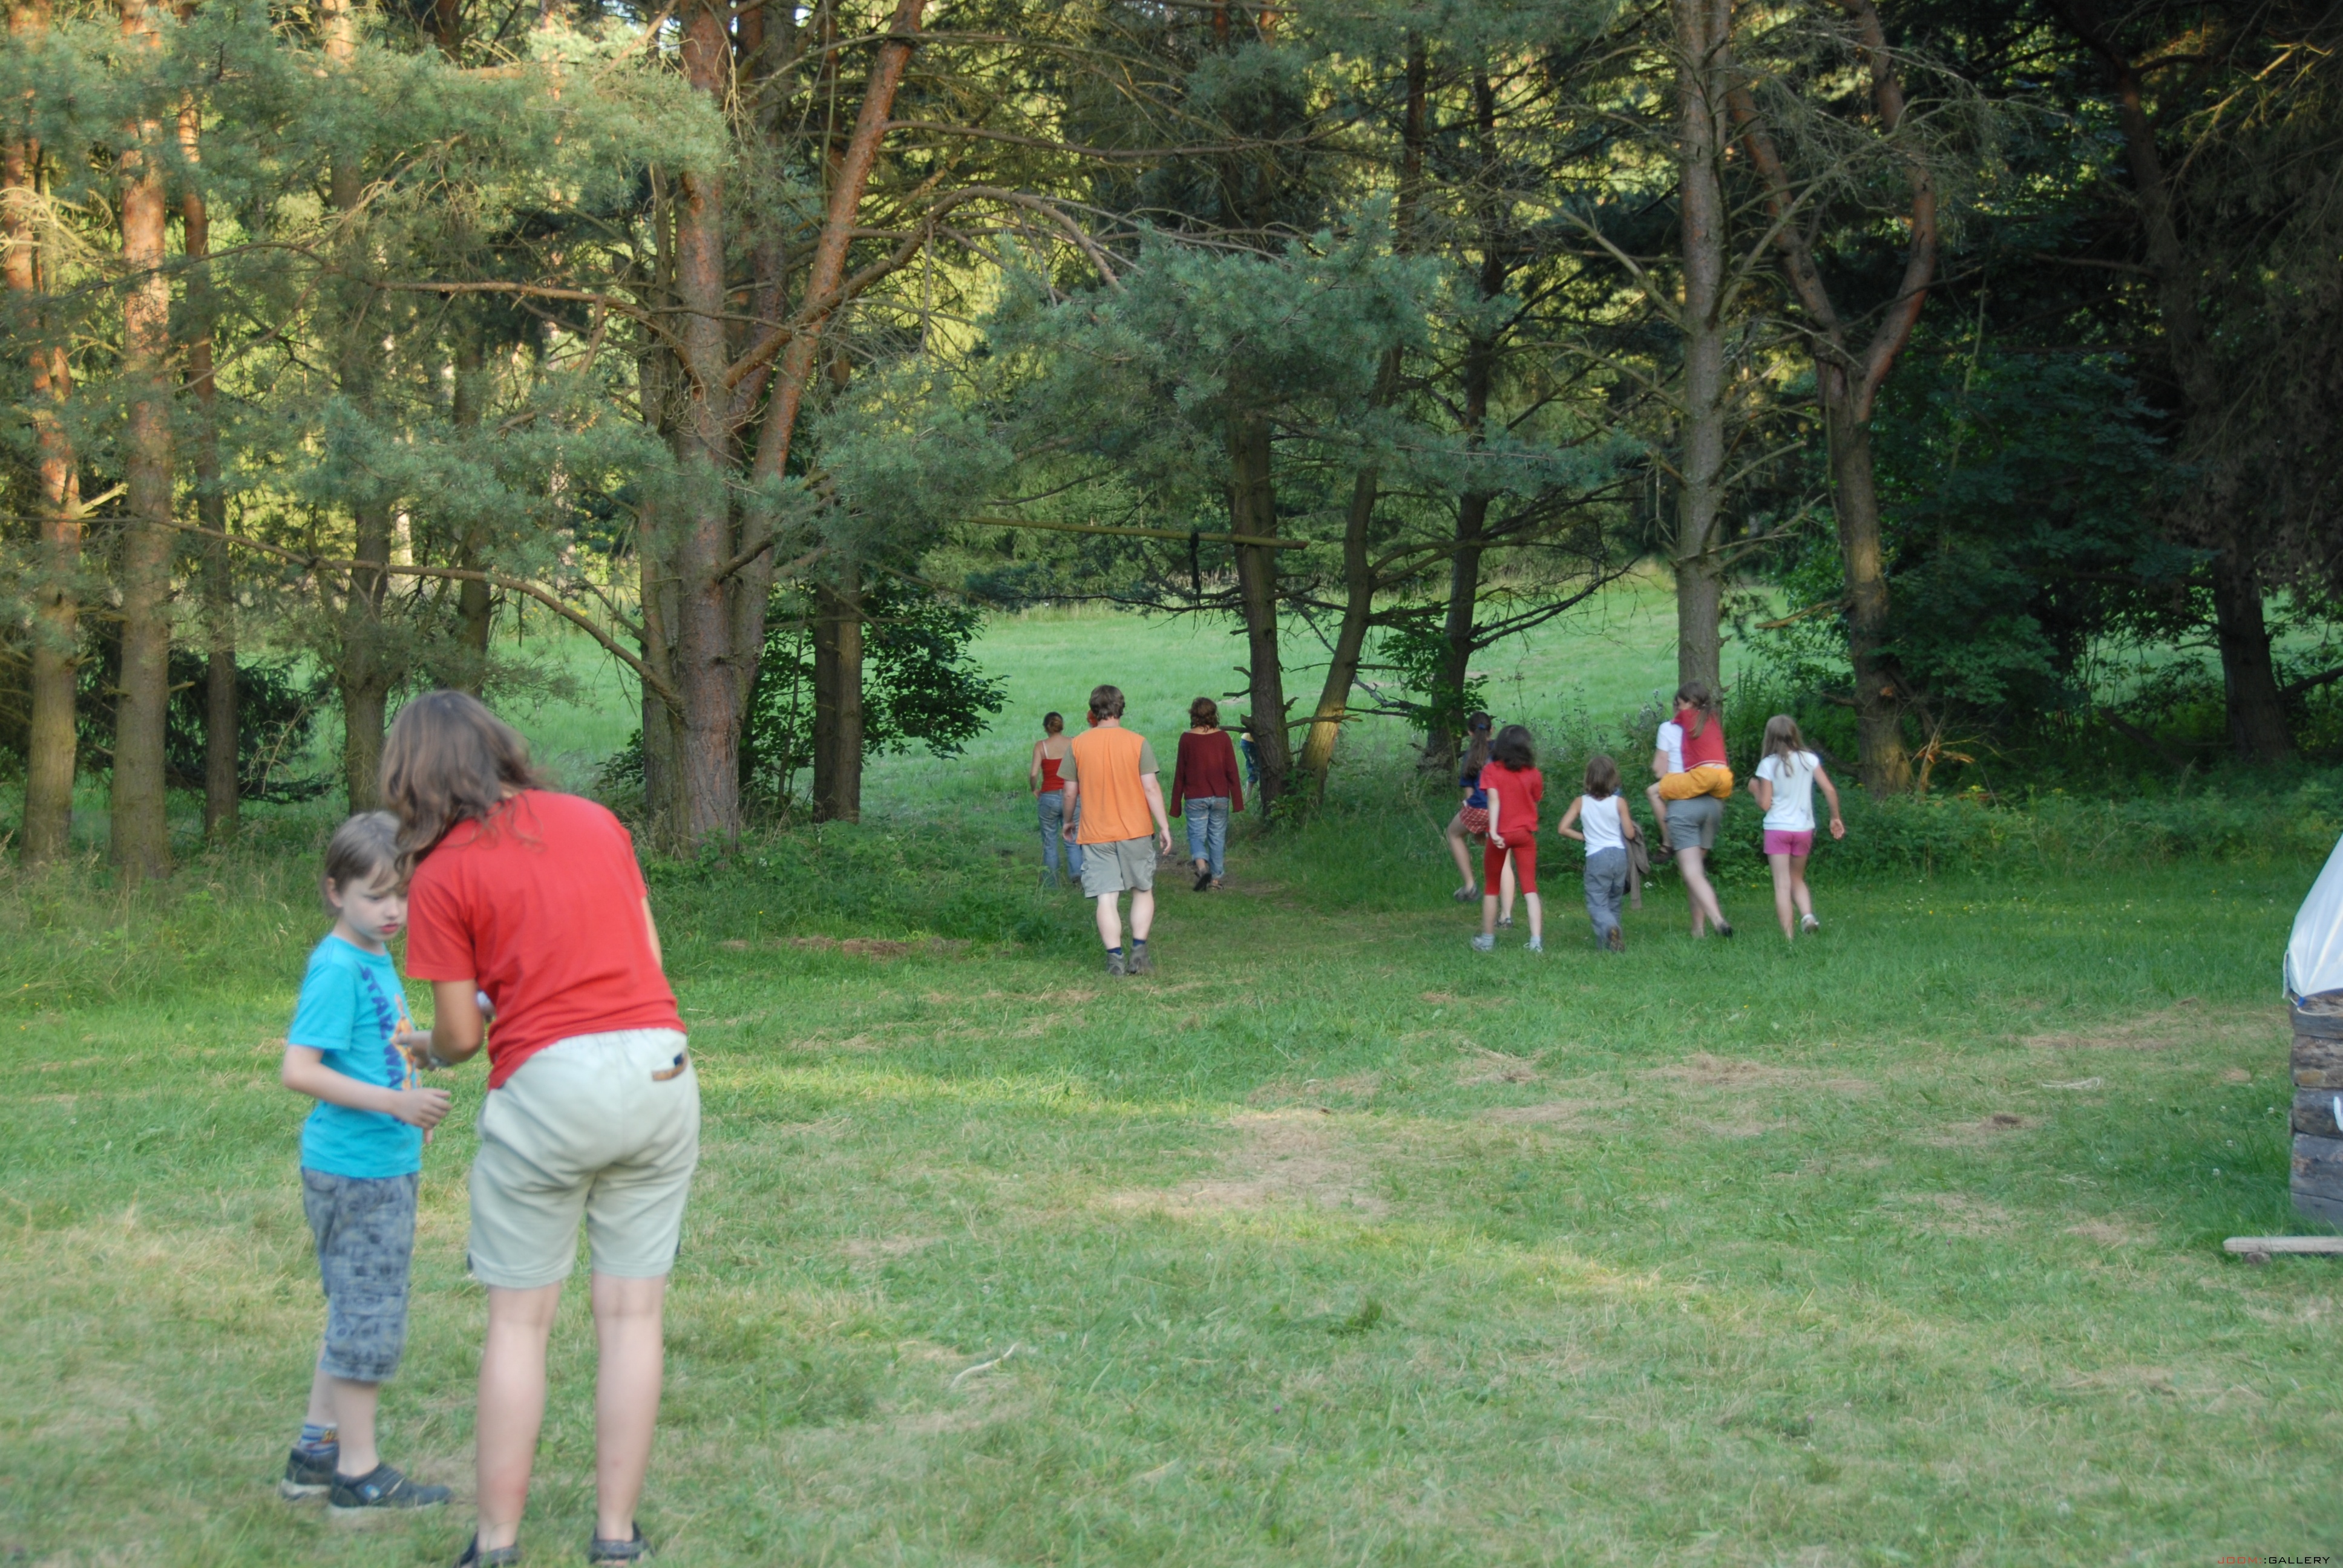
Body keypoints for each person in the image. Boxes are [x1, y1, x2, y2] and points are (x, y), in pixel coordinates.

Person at [384, 691, 695, 1568]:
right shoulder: (596, 821)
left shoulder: (442, 872)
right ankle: (615, 1537)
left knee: (521, 1324)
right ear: (499, 748)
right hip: (662, 1069)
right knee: (632, 1314)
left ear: (411, 777)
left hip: (550, 1087)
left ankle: (497, 1543)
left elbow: (459, 1037)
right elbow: (646, 959)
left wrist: (431, 1048)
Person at [276, 811, 454, 1518]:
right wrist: (395, 1104)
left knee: (354, 1306)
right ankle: (358, 1474)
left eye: (403, 895)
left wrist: (420, 1058)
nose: (392, 910)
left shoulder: (373, 958)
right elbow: (299, 1069)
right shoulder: (337, 966)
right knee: (368, 1316)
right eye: (375, 895)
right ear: (334, 891)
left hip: (381, 1163)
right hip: (355, 1173)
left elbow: (374, 1045)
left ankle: (314, 1454)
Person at [1060, 683, 1175, 976]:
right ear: (1121, 708)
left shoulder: (1078, 745)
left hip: (1095, 832)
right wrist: (1163, 826)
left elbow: (1070, 791)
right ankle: (1139, 954)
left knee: (1106, 898)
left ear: (1093, 710)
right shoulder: (1138, 742)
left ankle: (1115, 961)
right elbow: (1151, 788)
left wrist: (1068, 820)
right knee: (1142, 891)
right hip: (1135, 830)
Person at [1648, 684, 1734, 938]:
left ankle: (1718, 921)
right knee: (1696, 873)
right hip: (1713, 805)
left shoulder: (1669, 728)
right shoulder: (1710, 723)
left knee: (1692, 872)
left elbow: (1659, 770)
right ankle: (1698, 930)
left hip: (1684, 807)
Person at [1750, 714, 1846, 939]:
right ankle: (1808, 915)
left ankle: (1788, 938)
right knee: (1797, 878)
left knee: (1782, 885)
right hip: (1803, 828)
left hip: (1777, 828)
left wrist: (1754, 789)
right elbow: (1829, 789)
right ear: (1794, 734)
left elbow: (1765, 804)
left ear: (1769, 738)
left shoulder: (1768, 764)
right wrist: (1835, 817)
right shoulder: (1809, 759)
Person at [1555, 754, 1640, 952]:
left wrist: (1584, 837)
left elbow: (1563, 828)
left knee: (1597, 903)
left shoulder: (1580, 802)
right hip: (1619, 856)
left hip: (1596, 857)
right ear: (1613, 778)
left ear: (1588, 779)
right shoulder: (1619, 803)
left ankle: (1610, 930)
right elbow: (1629, 833)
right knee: (1614, 901)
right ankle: (1609, 945)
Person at [1472, 724, 1545, 953]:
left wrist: (1493, 831)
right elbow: (1536, 797)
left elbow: (1494, 800)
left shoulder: (1491, 771)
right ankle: (1536, 942)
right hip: (1525, 835)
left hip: (1501, 835)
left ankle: (1487, 940)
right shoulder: (1533, 773)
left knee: (1492, 887)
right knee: (1530, 888)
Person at [1644, 681, 1735, 854]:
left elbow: (1659, 770)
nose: (1678, 707)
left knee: (1652, 792)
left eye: (1679, 703)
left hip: (1699, 779)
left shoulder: (1678, 721)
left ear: (1691, 703)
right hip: (1722, 781)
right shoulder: (1712, 720)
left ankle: (1668, 841)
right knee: (1697, 862)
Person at [1443, 713, 1516, 917]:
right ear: (1492, 730)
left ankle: (1469, 885)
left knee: (1454, 834)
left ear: (1470, 733)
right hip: (1503, 811)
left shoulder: (1471, 755)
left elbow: (1469, 795)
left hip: (1478, 808)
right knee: (1505, 860)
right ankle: (1506, 916)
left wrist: (1477, 828)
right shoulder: (1504, 753)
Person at [1168, 696, 1244, 891]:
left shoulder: (1187, 739)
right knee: (1217, 838)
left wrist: (1176, 806)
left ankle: (1202, 869)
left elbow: (1180, 773)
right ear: (1214, 714)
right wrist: (1238, 801)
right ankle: (1216, 880)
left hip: (1195, 797)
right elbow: (1232, 770)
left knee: (1196, 836)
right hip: (1220, 797)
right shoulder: (1223, 738)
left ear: (1193, 715)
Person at [1029, 711, 1084, 887]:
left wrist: (1034, 789)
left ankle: (1051, 884)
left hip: (1049, 797)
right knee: (1073, 839)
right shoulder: (1074, 743)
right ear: (1062, 726)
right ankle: (1077, 875)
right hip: (1073, 796)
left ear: (1046, 727)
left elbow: (1033, 774)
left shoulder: (1041, 746)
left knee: (1049, 842)